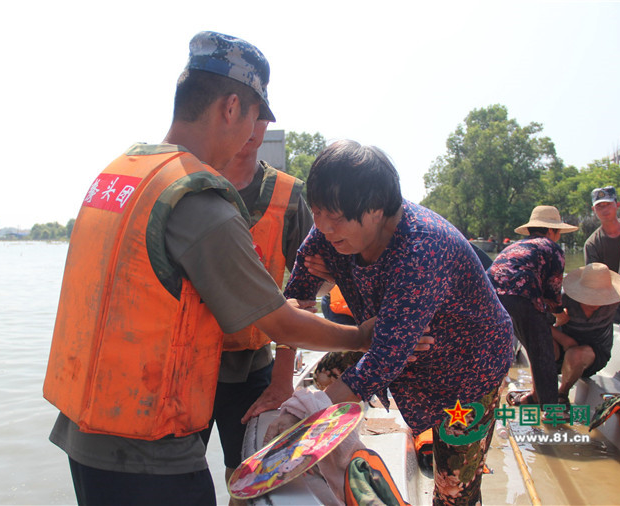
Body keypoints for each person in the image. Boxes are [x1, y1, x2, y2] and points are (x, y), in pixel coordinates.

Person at [43, 32, 371, 506]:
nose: (253, 133)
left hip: (86, 431)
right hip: (147, 452)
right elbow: (278, 321)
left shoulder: (123, 174)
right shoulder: (197, 201)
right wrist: (363, 336)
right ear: (231, 108)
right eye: (254, 117)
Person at [269, 140, 514, 505]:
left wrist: (308, 418)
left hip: (467, 371)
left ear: (377, 210)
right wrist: (281, 387)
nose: (323, 228)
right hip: (393, 344)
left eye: (335, 217)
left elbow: (384, 359)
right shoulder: (328, 231)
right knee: (322, 377)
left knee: (453, 490)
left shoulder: (423, 248)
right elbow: (296, 299)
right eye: (316, 212)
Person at [199, 118, 314, 498]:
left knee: (247, 474)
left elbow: (304, 293)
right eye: (239, 112)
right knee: (181, 474)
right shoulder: (188, 186)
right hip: (184, 367)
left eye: (258, 115)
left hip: (251, 365)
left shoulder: (289, 198)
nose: (249, 125)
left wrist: (283, 378)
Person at [487, 205, 578, 407]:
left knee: (530, 345)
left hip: (491, 297)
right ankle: (550, 409)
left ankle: (535, 395)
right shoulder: (552, 248)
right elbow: (553, 289)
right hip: (521, 296)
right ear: (552, 230)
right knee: (543, 353)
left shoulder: (514, 246)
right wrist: (560, 314)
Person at [551, 263, 620, 405]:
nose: (594, 303)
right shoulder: (563, 299)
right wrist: (565, 340)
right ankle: (540, 388)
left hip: (593, 355)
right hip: (562, 349)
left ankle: (562, 393)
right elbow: (539, 323)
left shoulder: (618, 297)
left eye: (600, 298)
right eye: (589, 297)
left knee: (576, 354)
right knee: (543, 343)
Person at [584, 185, 620, 272]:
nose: (604, 210)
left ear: (617, 205)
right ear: (593, 209)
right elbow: (594, 276)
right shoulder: (592, 244)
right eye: (599, 206)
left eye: (608, 204)